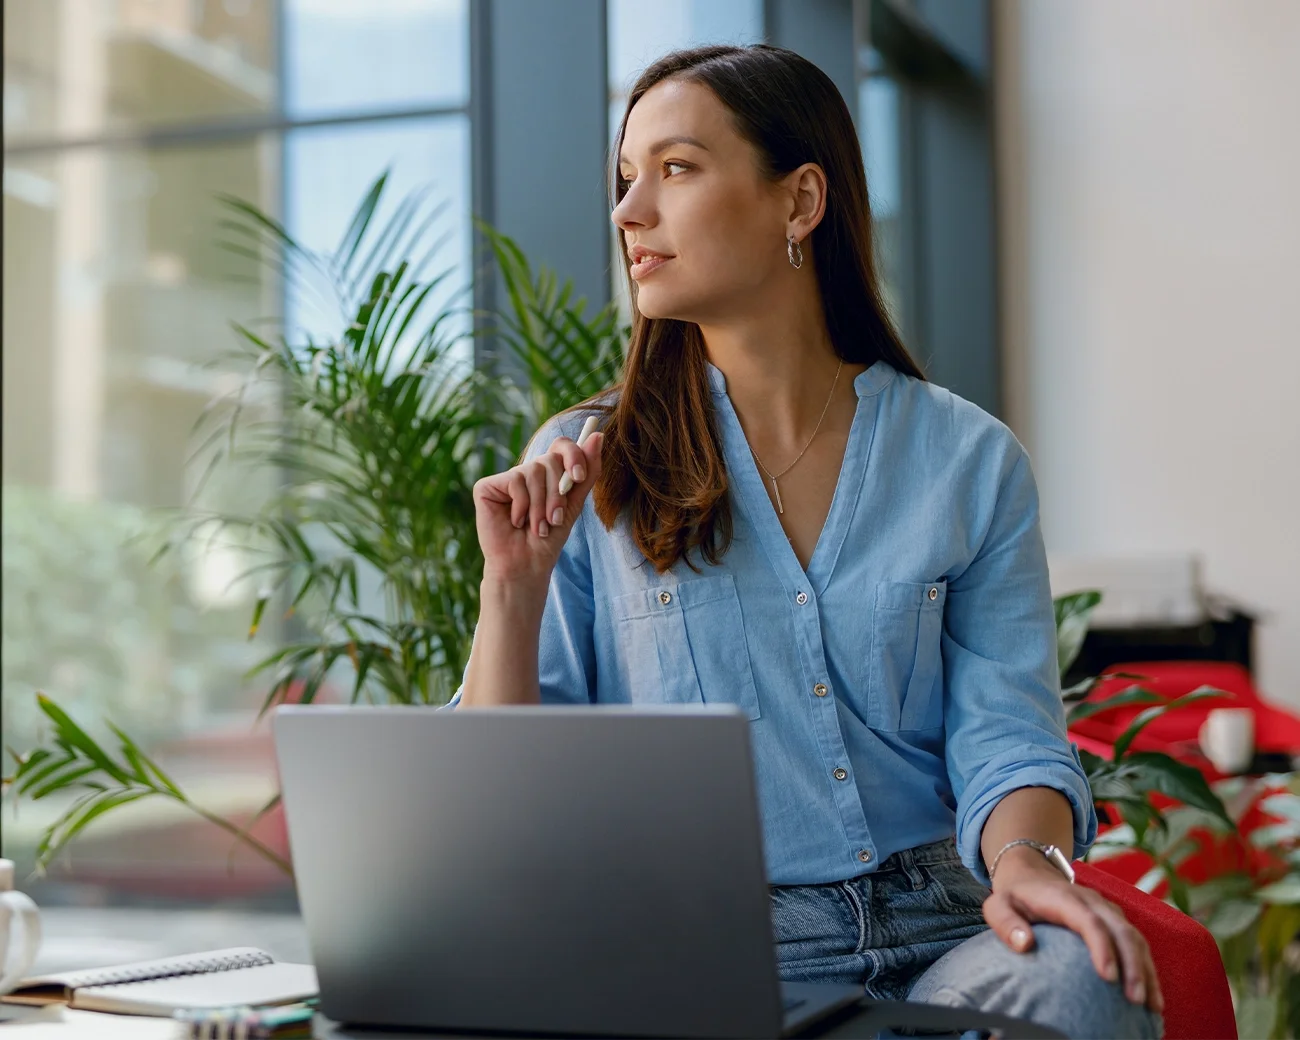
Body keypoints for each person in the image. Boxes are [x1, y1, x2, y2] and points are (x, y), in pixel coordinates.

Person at [450, 43, 1163, 1040]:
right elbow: (500, 809)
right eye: (624, 179)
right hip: (711, 944)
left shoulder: (967, 458)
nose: (628, 213)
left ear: (799, 201)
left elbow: (1007, 732)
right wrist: (511, 595)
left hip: (946, 925)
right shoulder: (582, 462)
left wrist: (1027, 866)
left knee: (1081, 985)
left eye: (676, 169)